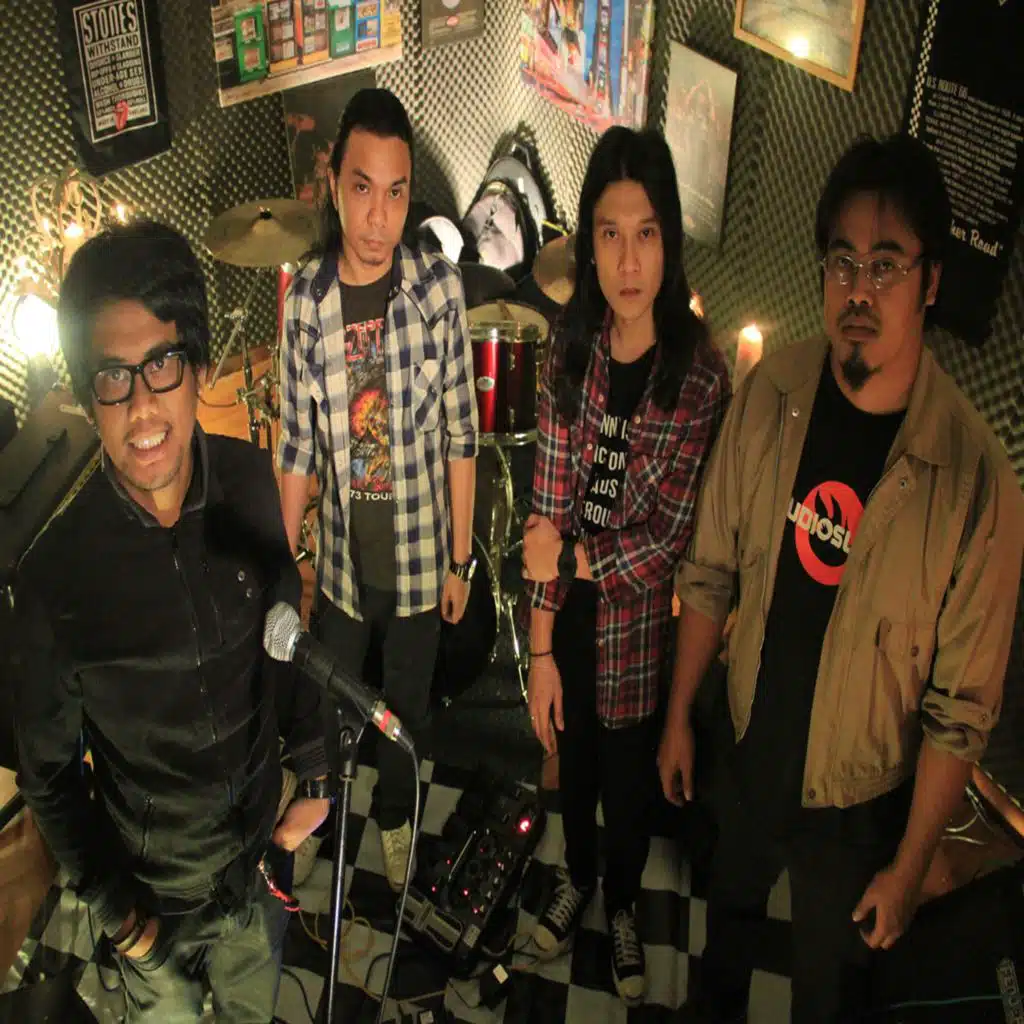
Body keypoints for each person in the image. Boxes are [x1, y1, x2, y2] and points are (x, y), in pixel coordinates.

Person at [661, 134, 1024, 1023]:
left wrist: (909, 866)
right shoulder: (770, 395)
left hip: (859, 809)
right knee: (724, 944)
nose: (859, 290)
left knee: (829, 998)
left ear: (931, 282)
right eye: (843, 261)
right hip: (748, 749)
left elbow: (960, 713)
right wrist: (678, 718)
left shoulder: (975, 483)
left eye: (886, 265)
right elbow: (708, 575)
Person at [13, 222, 330, 1022]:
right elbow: (48, 777)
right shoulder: (53, 579)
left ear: (195, 367)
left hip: (259, 870)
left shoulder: (250, 482)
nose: (142, 406)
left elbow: (287, 627)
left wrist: (317, 771)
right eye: (113, 379)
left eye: (161, 363)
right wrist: (124, 921)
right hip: (154, 910)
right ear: (88, 396)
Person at [522, 126, 730, 1006]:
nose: (629, 259)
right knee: (572, 768)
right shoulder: (570, 349)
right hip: (568, 617)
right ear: (589, 242)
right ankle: (577, 879)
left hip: (639, 633)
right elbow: (546, 501)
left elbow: (666, 539)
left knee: (629, 786)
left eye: (646, 233)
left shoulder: (700, 376)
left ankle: (621, 902)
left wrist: (569, 554)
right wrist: (538, 650)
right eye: (610, 233)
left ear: (669, 240)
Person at [277, 88, 478, 891]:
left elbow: (461, 431)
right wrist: (284, 565)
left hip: (423, 560)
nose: (379, 216)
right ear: (335, 184)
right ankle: (320, 812)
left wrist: (461, 560)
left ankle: (395, 819)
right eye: (363, 188)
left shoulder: (440, 291)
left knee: (406, 711)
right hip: (341, 565)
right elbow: (296, 446)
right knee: (327, 705)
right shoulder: (305, 301)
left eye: (396, 193)